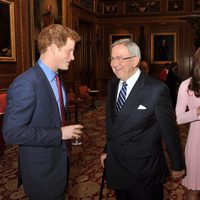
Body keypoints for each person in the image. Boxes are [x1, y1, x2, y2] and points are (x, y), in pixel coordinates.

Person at [3, 24, 83, 200]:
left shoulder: (57, 78)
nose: (73, 57)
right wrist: (59, 133)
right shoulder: (26, 83)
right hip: (41, 172)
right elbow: (11, 133)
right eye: (69, 51)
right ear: (53, 48)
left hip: (58, 164)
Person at [100, 38, 185, 200]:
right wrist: (107, 149)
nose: (114, 63)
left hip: (144, 171)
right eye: (112, 58)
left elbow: (169, 131)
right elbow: (113, 123)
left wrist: (177, 164)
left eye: (120, 58)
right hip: (117, 164)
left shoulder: (156, 89)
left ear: (135, 60)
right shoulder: (112, 84)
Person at [176, 47, 200, 200]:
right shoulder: (186, 85)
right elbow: (177, 119)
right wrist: (197, 112)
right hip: (197, 142)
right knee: (193, 190)